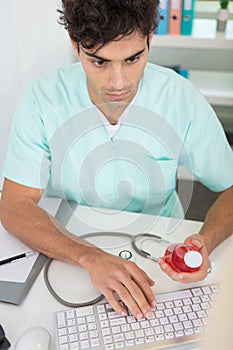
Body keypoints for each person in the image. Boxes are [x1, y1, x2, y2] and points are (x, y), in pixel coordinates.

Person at [1, 0, 233, 320]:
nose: (118, 82)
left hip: (159, 250)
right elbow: (15, 206)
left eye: (133, 58)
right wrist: (89, 257)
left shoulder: (181, 99)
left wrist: (203, 243)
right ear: (75, 46)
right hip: (68, 249)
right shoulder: (43, 99)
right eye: (99, 62)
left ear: (150, 40)